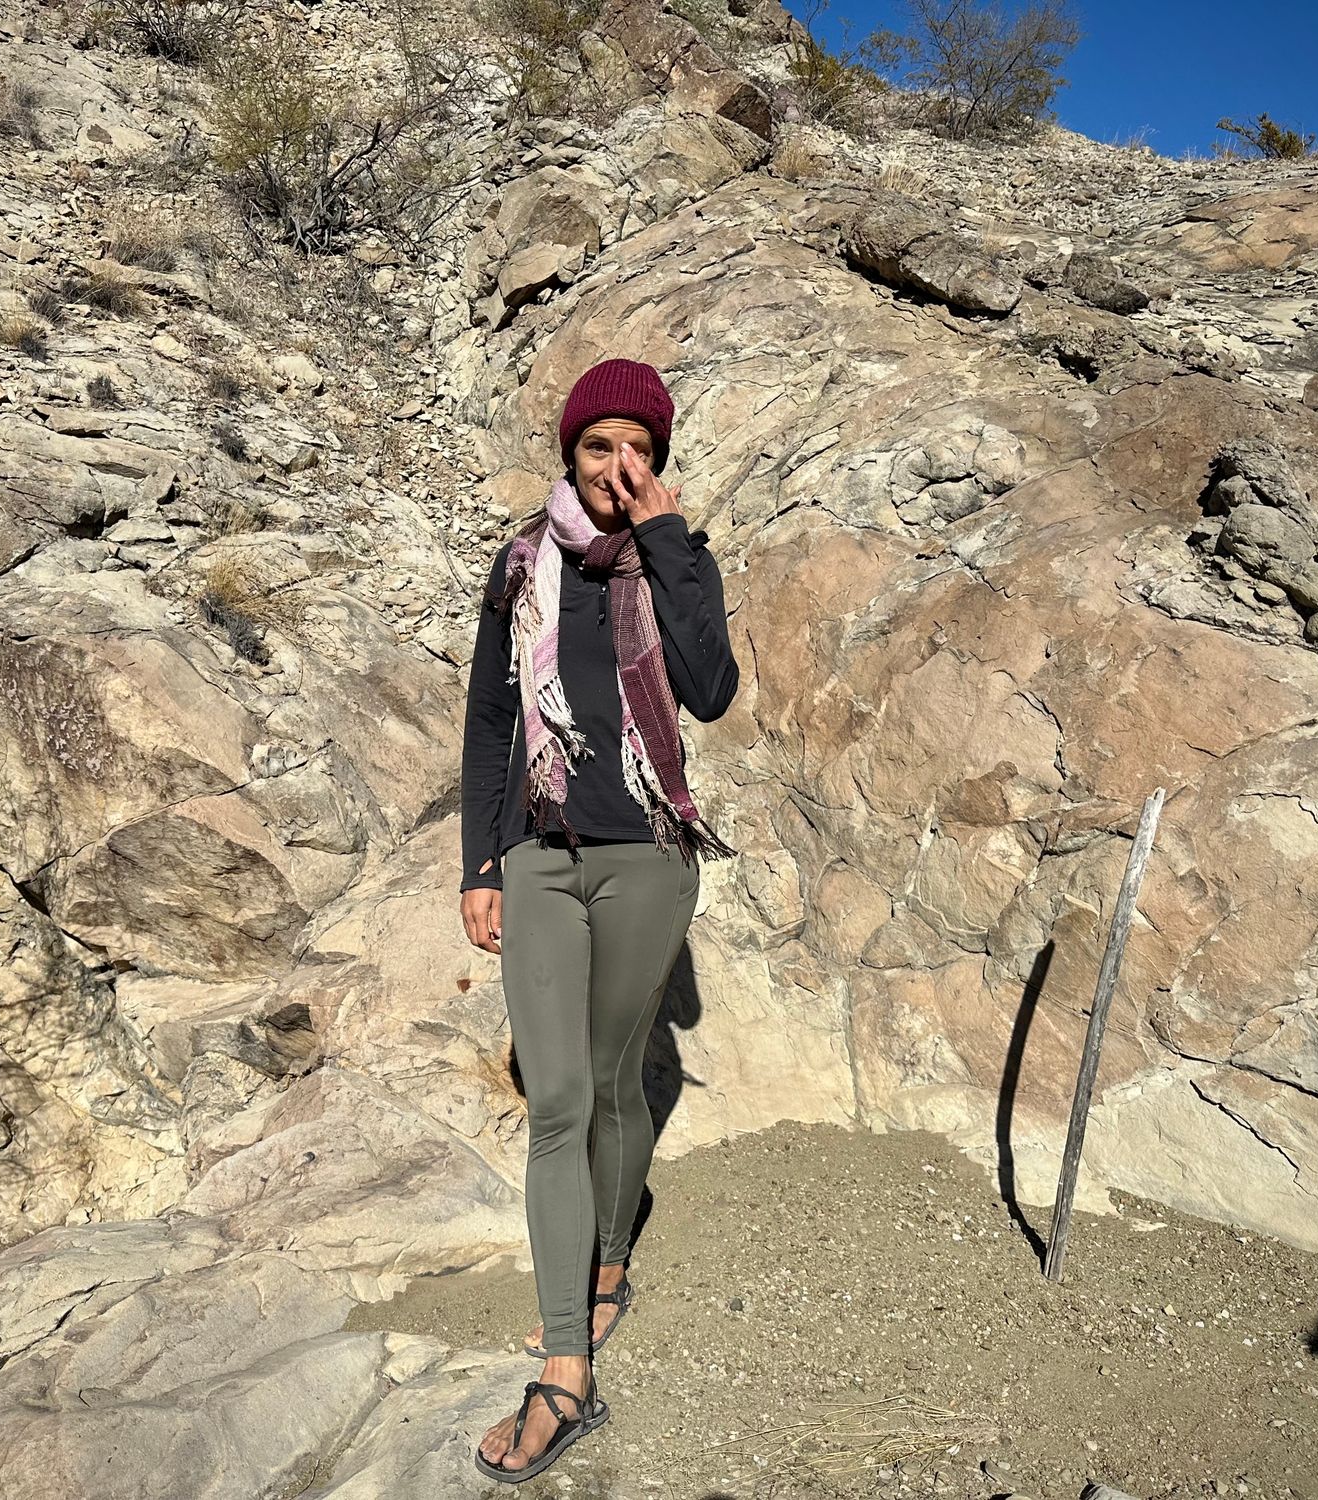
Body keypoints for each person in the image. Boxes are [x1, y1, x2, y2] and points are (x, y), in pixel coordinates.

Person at [460, 357, 739, 1482]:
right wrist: (478, 863)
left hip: (646, 861)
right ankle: (564, 1375)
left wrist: (669, 542)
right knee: (559, 1097)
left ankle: (609, 1262)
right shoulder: (521, 566)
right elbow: (488, 718)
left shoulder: (676, 561)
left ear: (656, 464)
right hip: (538, 858)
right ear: (569, 455)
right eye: (597, 447)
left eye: (640, 450)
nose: (619, 468)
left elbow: (710, 688)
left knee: (618, 1086)